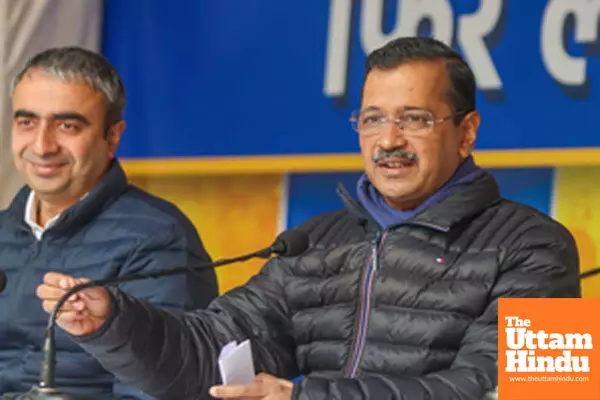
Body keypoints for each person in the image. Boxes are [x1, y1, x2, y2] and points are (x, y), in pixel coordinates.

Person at [37, 37, 581, 400]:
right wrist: (113, 322)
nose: (388, 140)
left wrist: (306, 396)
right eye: (372, 120)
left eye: (413, 119)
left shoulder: (543, 245)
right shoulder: (317, 241)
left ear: (467, 132)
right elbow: (209, 351)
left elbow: (525, 387)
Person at [0, 47, 219, 398]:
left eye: (67, 126)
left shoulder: (159, 238)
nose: (42, 146)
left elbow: (164, 388)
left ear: (112, 136)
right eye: (27, 122)